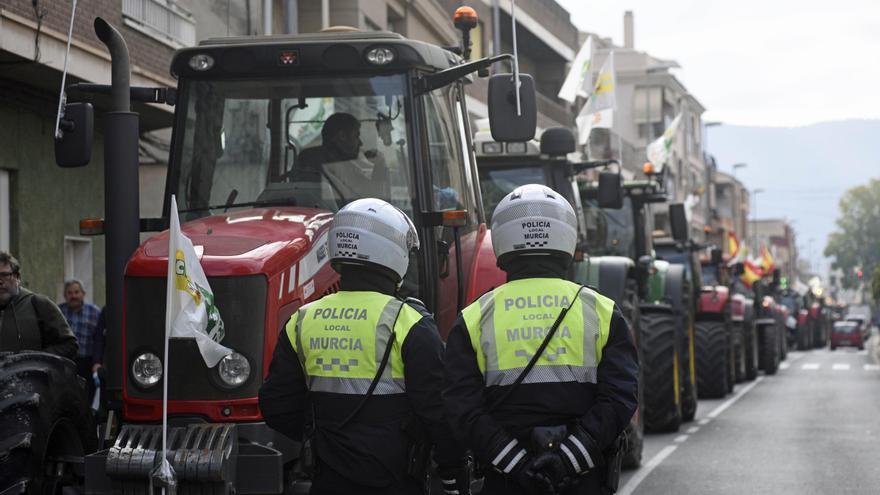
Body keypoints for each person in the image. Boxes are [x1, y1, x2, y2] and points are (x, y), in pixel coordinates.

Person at [259, 198, 468, 495]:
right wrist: (451, 471)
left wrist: (320, 437)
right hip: (396, 481)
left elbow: (276, 406)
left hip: (326, 481)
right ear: (392, 253)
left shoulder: (302, 320)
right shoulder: (408, 323)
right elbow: (439, 413)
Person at [443, 184, 639, 495]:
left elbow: (462, 410)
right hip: (581, 480)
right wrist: (567, 461)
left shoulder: (473, 318)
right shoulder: (602, 312)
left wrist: (518, 466)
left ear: (503, 240)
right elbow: (620, 399)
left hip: (506, 481)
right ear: (566, 237)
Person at [293, 112, 390, 202]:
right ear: (342, 136)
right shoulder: (334, 165)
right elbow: (373, 201)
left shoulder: (308, 157)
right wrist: (379, 165)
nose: (360, 143)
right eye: (356, 136)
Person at [0, 251, 78, 359]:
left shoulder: (38, 304)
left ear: (17, 277)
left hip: (31, 374)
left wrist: (36, 359)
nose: (0, 281)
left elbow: (69, 345)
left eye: (4, 275)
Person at [58, 279, 104, 400]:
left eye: (76, 292)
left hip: (87, 363)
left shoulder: (94, 312)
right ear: (65, 295)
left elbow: (99, 339)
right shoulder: (58, 312)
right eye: (70, 293)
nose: (73, 296)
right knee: (68, 397)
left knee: (87, 397)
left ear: (83, 294)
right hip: (66, 362)